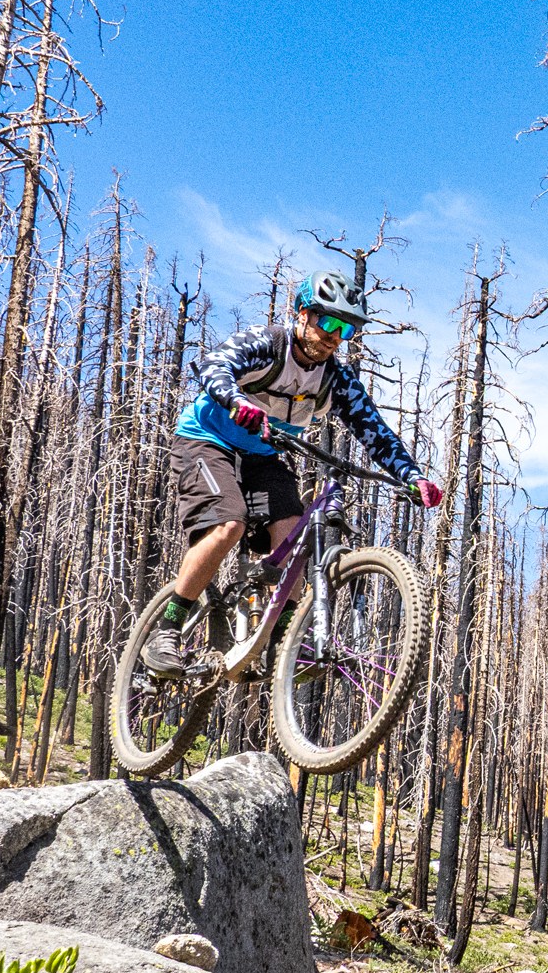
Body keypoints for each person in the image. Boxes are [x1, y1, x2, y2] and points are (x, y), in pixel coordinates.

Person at [142, 268, 444, 677]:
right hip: (206, 440)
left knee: (293, 533)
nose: (335, 336)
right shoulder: (267, 344)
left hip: (263, 455)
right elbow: (215, 365)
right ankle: (167, 631)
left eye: (347, 330)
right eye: (329, 322)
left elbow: (376, 432)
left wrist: (412, 476)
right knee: (228, 525)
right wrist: (235, 401)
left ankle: (284, 646)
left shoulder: (335, 379)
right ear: (303, 313)